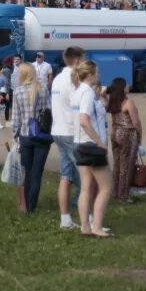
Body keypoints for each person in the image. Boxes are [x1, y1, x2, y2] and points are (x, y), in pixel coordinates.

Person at [73, 61, 112, 237]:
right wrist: (99, 142)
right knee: (106, 187)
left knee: (85, 187)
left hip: (79, 143)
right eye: (96, 71)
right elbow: (84, 119)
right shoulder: (88, 93)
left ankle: (85, 227)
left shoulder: (77, 91)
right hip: (90, 145)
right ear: (90, 74)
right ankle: (96, 226)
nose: (98, 74)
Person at [10, 61, 52, 214]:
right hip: (42, 135)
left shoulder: (18, 92)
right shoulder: (43, 89)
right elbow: (49, 111)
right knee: (37, 172)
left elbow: (15, 119)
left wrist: (16, 137)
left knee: (26, 171)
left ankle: (26, 204)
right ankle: (32, 204)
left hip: (26, 135)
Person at [50, 46, 85, 229]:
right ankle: (88, 217)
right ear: (78, 60)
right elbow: (78, 106)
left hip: (58, 130)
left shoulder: (57, 79)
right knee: (85, 176)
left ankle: (66, 219)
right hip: (72, 132)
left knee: (66, 176)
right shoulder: (74, 79)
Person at [107, 78, 142, 202]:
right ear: (123, 88)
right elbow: (136, 123)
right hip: (127, 134)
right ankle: (123, 195)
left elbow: (103, 96)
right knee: (126, 165)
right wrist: (140, 138)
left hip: (114, 132)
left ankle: (115, 192)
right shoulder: (128, 103)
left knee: (117, 164)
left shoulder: (112, 102)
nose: (128, 86)